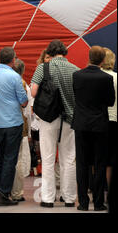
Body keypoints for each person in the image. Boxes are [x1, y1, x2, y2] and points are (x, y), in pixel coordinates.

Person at [31, 39, 79, 208]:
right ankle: (69, 198)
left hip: (48, 118)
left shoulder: (43, 68)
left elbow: (33, 91)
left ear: (49, 52)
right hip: (70, 119)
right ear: (64, 52)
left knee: (48, 158)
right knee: (69, 159)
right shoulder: (75, 69)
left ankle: (48, 198)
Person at [0, 47, 28, 206]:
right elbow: (23, 101)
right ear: (13, 60)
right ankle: (3, 193)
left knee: (0, 158)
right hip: (13, 122)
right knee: (10, 159)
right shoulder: (14, 77)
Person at [72, 46, 115, 211]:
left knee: (82, 164)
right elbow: (110, 101)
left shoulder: (77, 76)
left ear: (88, 57)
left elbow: (76, 97)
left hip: (81, 124)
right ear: (103, 60)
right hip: (100, 125)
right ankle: (98, 202)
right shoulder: (105, 78)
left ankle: (83, 202)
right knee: (99, 163)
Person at [11, 58, 32, 202]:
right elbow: (27, 110)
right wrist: (29, 131)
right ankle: (17, 192)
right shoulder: (23, 84)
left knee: (2, 158)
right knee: (17, 159)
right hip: (18, 124)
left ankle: (1, 189)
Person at [100, 48, 117, 202]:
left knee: (98, 158)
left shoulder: (95, 77)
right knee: (111, 159)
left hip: (98, 121)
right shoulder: (117, 78)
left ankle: (97, 190)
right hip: (114, 121)